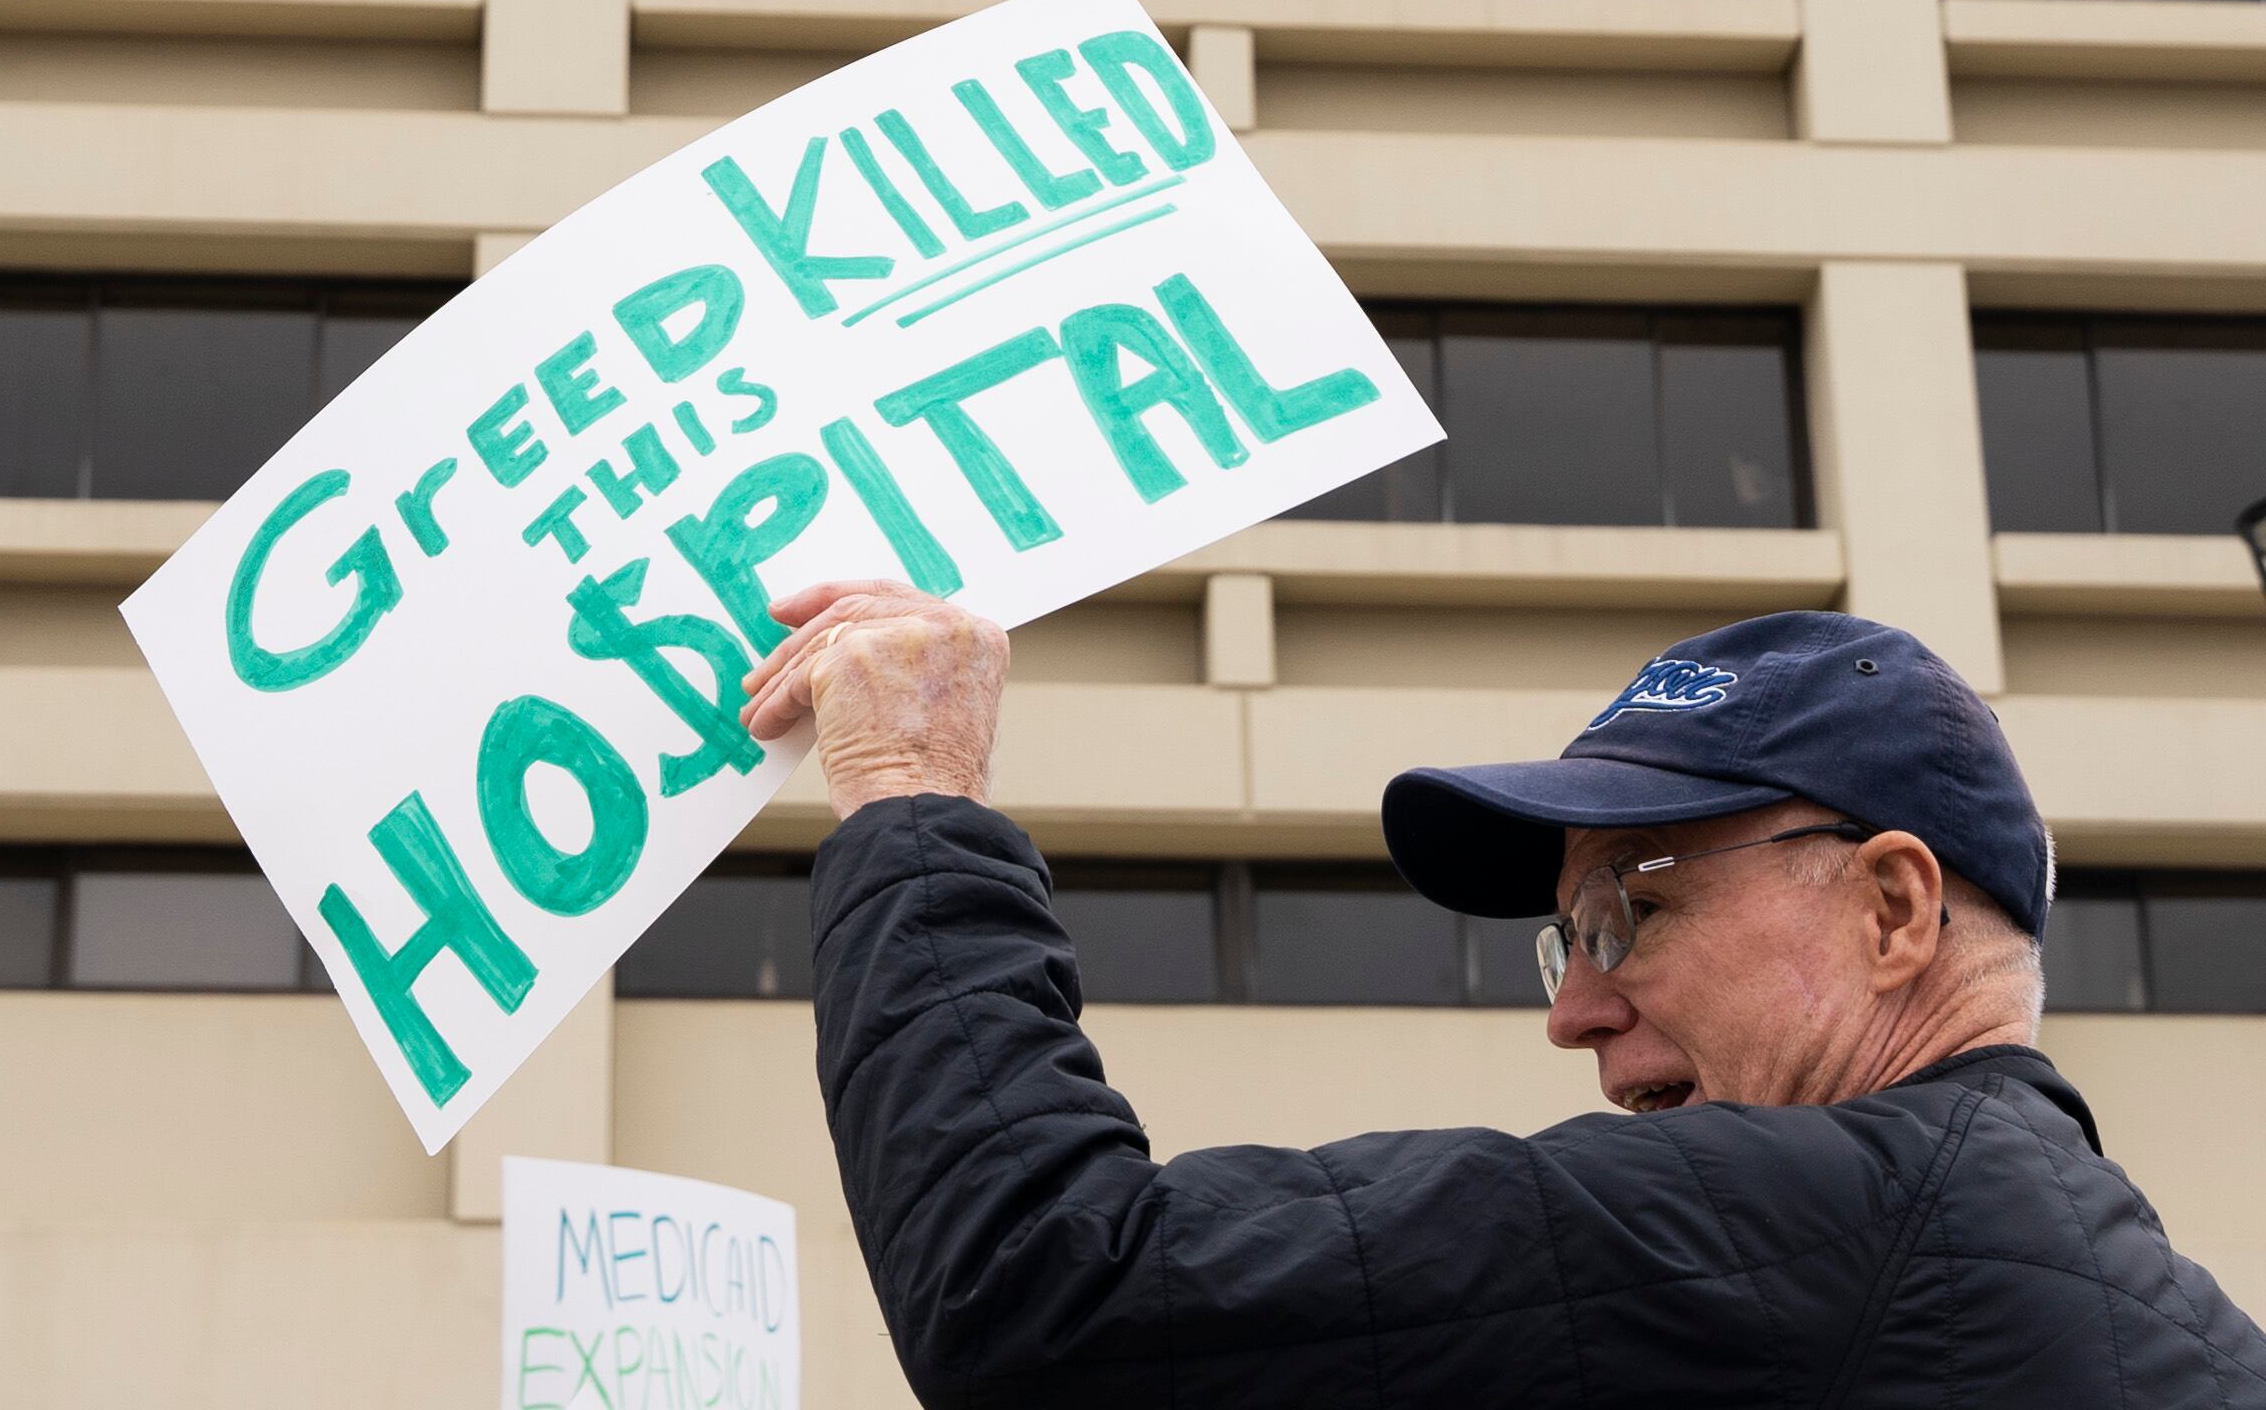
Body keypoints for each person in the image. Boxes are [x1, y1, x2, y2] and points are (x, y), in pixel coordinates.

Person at [738, 595, 2264, 1406]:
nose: (1573, 1011)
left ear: (1892, 909)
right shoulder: (2164, 1323)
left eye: (1634, 911)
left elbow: (1039, 1288)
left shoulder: (1847, 1220)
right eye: (1564, 941)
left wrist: (909, 793)